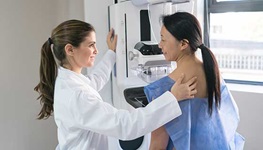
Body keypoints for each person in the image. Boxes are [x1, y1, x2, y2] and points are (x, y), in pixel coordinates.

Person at [34, 19, 198, 150]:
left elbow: (94, 81)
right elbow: (125, 126)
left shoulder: (68, 80)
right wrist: (172, 98)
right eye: (91, 45)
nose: (96, 51)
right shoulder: (77, 95)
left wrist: (111, 53)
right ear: (70, 50)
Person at [144, 12, 245, 150]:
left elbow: (157, 145)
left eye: (163, 39)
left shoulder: (161, 89)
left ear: (183, 44)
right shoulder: (214, 75)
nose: (160, 45)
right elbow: (229, 120)